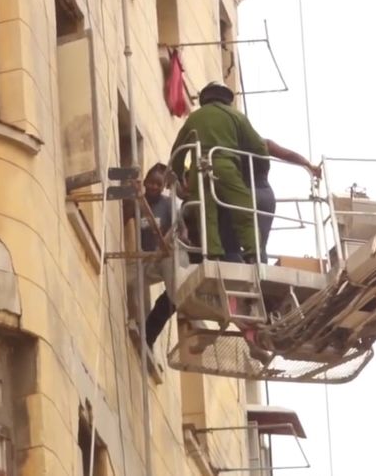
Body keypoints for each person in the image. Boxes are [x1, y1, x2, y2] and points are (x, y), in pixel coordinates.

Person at [170, 81, 262, 263]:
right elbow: (258, 147)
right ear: (226, 98)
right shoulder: (236, 116)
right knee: (243, 210)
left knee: (206, 214)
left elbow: (177, 152)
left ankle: (213, 255)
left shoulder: (194, 118)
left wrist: (179, 177)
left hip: (199, 170)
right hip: (226, 167)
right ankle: (253, 253)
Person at [219, 139, 320, 263]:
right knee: (260, 245)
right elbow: (288, 154)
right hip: (267, 195)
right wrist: (308, 164)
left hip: (244, 193)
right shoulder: (264, 143)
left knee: (231, 242)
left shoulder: (232, 144)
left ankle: (235, 262)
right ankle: (260, 270)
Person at [123, 163, 176, 349]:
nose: (154, 186)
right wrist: (134, 196)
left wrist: (166, 242)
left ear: (163, 187)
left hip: (164, 257)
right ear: (145, 182)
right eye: (151, 182)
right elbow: (125, 217)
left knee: (175, 291)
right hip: (146, 258)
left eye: (158, 184)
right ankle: (137, 322)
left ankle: (151, 332)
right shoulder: (138, 202)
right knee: (129, 281)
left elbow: (178, 228)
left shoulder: (168, 204)